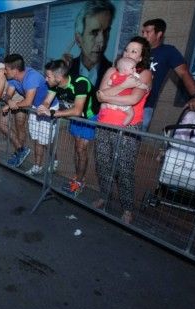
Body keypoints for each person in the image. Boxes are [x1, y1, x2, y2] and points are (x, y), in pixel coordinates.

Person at [94, 36, 153, 224]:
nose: (128, 53)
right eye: (127, 50)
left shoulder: (143, 74)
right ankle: (104, 196)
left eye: (134, 51)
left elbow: (132, 100)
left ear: (142, 56)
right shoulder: (112, 70)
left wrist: (108, 96)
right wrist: (124, 86)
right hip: (104, 125)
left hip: (127, 129)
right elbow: (98, 96)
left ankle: (127, 208)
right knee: (103, 163)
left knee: (124, 169)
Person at [40, 59, 96, 196]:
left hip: (89, 117)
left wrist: (52, 112)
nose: (46, 79)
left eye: (48, 76)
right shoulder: (55, 84)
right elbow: (47, 101)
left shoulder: (80, 83)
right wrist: (43, 107)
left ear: (58, 77)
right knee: (77, 147)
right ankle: (78, 176)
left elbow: (77, 110)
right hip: (75, 118)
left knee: (81, 149)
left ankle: (80, 181)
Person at [142, 18, 195, 132]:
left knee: (133, 140)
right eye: (143, 32)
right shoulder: (138, 48)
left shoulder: (168, 51)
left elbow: (183, 73)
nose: (144, 35)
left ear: (159, 34)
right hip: (125, 100)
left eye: (148, 32)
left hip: (146, 105)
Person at [2, 54, 49, 168]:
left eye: (6, 69)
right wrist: (9, 102)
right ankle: (35, 164)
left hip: (48, 107)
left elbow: (27, 101)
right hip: (35, 107)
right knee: (37, 138)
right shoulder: (13, 79)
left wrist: (10, 105)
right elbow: (7, 95)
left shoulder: (31, 77)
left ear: (15, 70)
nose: (4, 71)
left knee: (45, 139)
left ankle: (53, 161)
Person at [67, 0, 115, 99]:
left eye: (106, 32)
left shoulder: (113, 71)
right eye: (94, 32)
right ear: (78, 39)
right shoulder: (67, 69)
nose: (101, 42)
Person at [99, 57, 149, 126]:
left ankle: (102, 113)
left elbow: (109, 83)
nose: (134, 69)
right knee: (131, 114)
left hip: (111, 99)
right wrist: (145, 87)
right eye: (132, 68)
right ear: (125, 70)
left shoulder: (115, 75)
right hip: (122, 102)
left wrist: (106, 98)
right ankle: (123, 125)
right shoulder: (131, 78)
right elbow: (139, 84)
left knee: (103, 105)